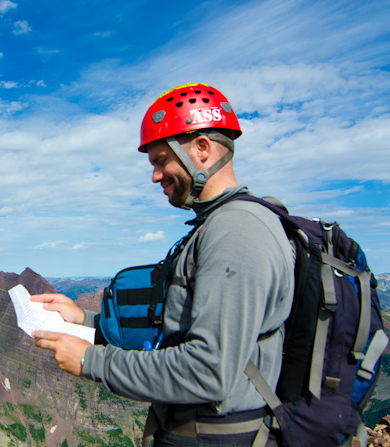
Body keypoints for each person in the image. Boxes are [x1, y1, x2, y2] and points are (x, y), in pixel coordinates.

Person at [32, 83, 295, 447]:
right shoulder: (216, 227)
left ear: (201, 148)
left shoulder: (237, 231)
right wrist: (84, 322)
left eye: (160, 161)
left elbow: (208, 371)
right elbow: (177, 329)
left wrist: (92, 361)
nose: (155, 176)